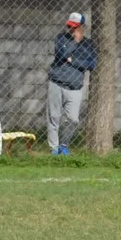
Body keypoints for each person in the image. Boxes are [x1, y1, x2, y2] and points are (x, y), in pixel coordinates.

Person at [47, 12, 97, 156]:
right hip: (57, 82)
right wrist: (75, 41)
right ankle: (54, 149)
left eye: (74, 27)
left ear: (82, 27)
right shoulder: (61, 38)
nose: (71, 29)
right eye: (69, 26)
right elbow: (62, 54)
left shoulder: (88, 44)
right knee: (54, 117)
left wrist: (73, 61)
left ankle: (64, 144)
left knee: (73, 119)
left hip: (74, 86)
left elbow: (91, 64)